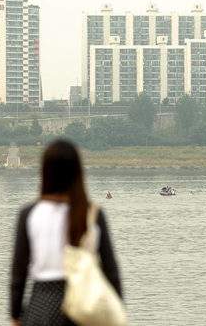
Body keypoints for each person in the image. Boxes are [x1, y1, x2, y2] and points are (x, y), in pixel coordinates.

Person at [10, 139, 122, 326]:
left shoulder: (29, 214)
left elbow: (18, 275)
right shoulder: (92, 214)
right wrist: (117, 309)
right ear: (78, 172)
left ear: (45, 171)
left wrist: (14, 315)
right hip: (86, 306)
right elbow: (111, 271)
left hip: (42, 306)